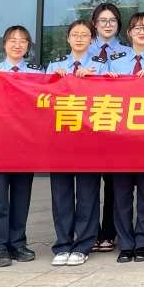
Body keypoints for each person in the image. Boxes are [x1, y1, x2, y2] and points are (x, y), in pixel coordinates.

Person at [0, 25, 43, 268]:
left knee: (22, 195)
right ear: (4, 45)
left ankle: (17, 243)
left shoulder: (37, 74)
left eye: (23, 41)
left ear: (28, 46)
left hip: (25, 144)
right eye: (13, 40)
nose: (17, 44)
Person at [105, 12, 144, 263]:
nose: (142, 32)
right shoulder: (115, 61)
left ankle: (142, 243)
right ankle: (125, 243)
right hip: (121, 139)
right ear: (129, 33)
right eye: (137, 28)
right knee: (121, 195)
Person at [47, 20, 105, 267]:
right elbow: (42, 100)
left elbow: (111, 97)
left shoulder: (101, 66)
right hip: (60, 140)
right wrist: (54, 81)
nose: (79, 38)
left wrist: (93, 80)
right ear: (68, 38)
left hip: (89, 140)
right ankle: (63, 243)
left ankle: (83, 244)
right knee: (61, 193)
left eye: (84, 35)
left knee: (87, 194)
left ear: (92, 39)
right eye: (75, 34)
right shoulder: (55, 66)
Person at [89, 2, 126, 253]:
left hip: (116, 125)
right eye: (103, 20)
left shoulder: (126, 53)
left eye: (112, 20)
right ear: (95, 24)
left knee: (114, 184)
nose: (108, 25)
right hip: (88, 126)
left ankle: (109, 232)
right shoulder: (83, 48)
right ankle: (89, 232)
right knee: (89, 184)